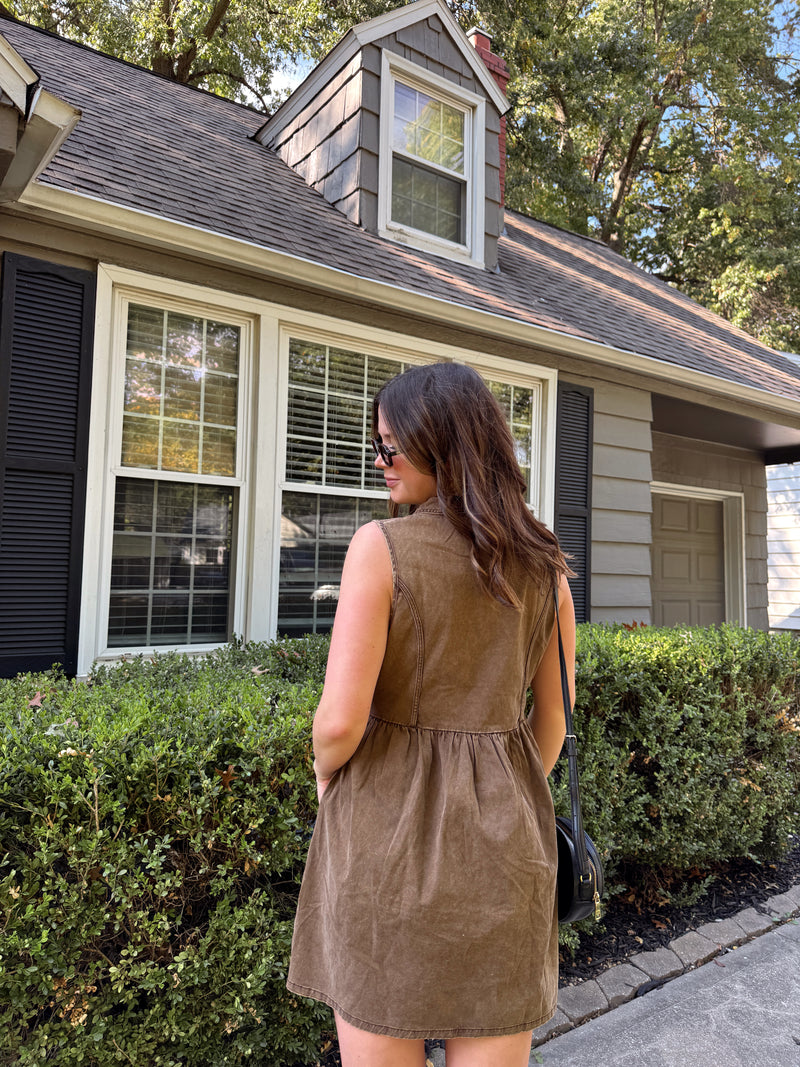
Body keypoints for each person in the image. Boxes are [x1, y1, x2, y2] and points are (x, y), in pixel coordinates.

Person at [287, 362, 576, 1067]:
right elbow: (553, 725)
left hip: (385, 845)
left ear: (441, 442)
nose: (380, 462)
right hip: (507, 855)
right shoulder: (546, 569)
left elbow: (337, 723)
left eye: (392, 446)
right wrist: (495, 790)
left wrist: (328, 782)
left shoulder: (380, 550)